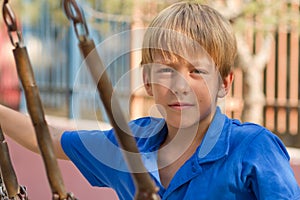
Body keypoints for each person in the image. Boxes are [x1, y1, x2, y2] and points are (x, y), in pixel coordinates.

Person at [0, 2, 299, 199]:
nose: (180, 86)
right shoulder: (130, 144)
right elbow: (46, 135)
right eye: (166, 71)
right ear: (147, 81)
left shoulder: (253, 148)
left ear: (224, 83)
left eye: (196, 71)